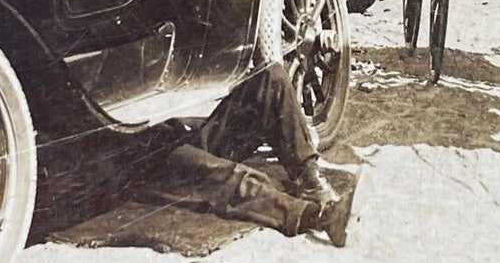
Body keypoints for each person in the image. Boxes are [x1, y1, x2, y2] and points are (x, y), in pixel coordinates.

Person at [144, 62, 357, 246]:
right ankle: (316, 216)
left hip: (170, 131)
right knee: (225, 175)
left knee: (270, 77)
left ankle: (310, 179)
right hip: (141, 157)